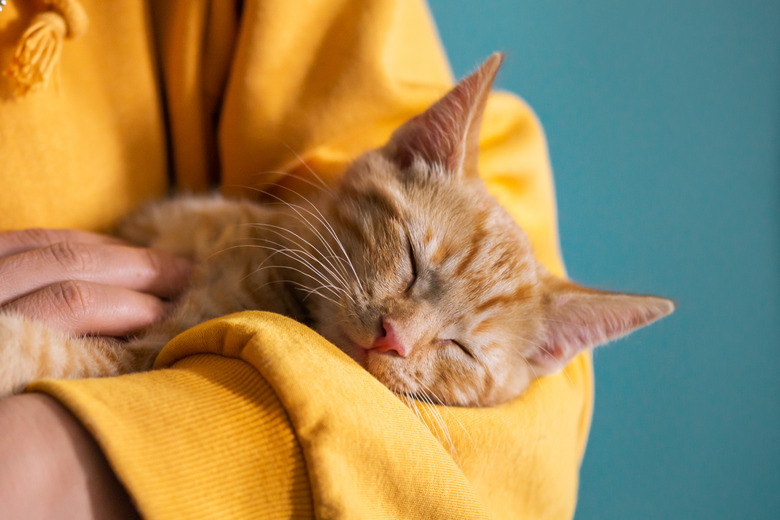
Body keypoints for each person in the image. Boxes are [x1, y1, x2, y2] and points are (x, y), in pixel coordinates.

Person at [0, 1, 593, 518]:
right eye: (410, 265)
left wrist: (57, 461)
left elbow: (517, 461)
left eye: (462, 350)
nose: (399, 336)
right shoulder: (270, 255)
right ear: (412, 151)